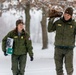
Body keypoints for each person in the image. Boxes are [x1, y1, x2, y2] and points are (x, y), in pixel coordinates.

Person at [48, 7, 76, 75]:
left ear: (71, 16)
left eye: (68, 15)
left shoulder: (74, 24)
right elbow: (50, 29)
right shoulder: (58, 22)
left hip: (69, 49)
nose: (66, 16)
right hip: (58, 48)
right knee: (58, 68)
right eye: (65, 14)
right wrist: (51, 19)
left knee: (69, 68)